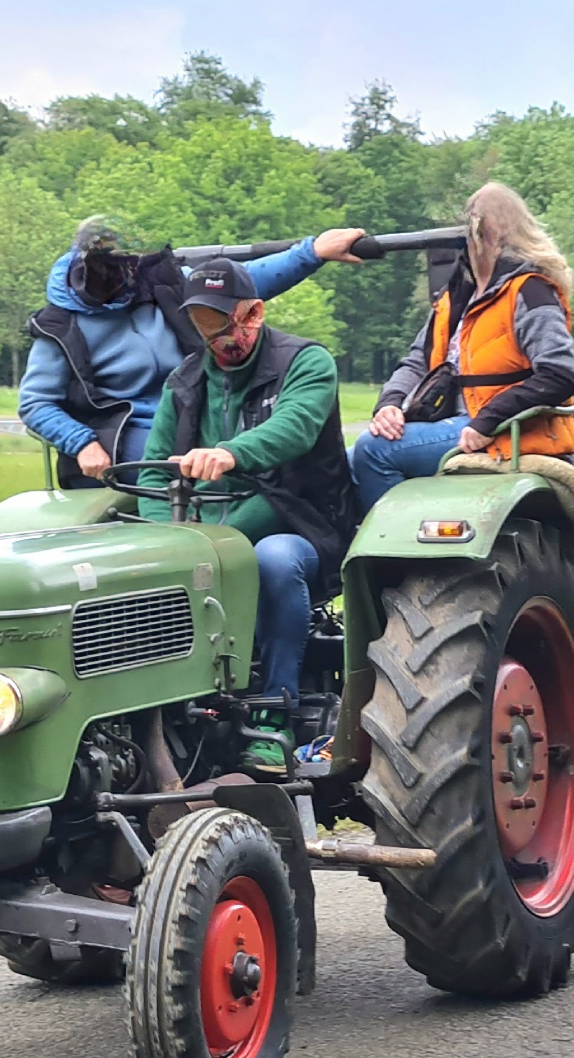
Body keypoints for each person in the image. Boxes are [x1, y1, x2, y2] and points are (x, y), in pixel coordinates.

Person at [138, 259, 356, 773]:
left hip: (303, 523)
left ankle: (275, 715)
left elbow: (296, 427)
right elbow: (152, 474)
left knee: (273, 559)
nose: (216, 338)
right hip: (207, 533)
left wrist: (231, 452)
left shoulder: (306, 362)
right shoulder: (186, 381)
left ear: (254, 314)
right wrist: (160, 539)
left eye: (223, 323)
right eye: (203, 327)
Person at [20, 217, 366, 489]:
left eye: (130, 266)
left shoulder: (157, 282)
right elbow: (35, 403)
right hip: (128, 435)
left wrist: (312, 252)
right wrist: (81, 443)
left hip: (202, 410)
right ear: (85, 271)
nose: (125, 278)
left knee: (275, 466)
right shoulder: (60, 327)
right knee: (211, 475)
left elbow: (235, 288)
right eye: (112, 270)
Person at [348, 182, 574, 514]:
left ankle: (395, 552)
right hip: (454, 421)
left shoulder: (530, 292)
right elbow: (417, 361)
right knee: (344, 461)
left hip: (505, 430)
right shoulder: (456, 295)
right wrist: (389, 404)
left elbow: (559, 375)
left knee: (374, 450)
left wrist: (487, 422)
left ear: (482, 234)